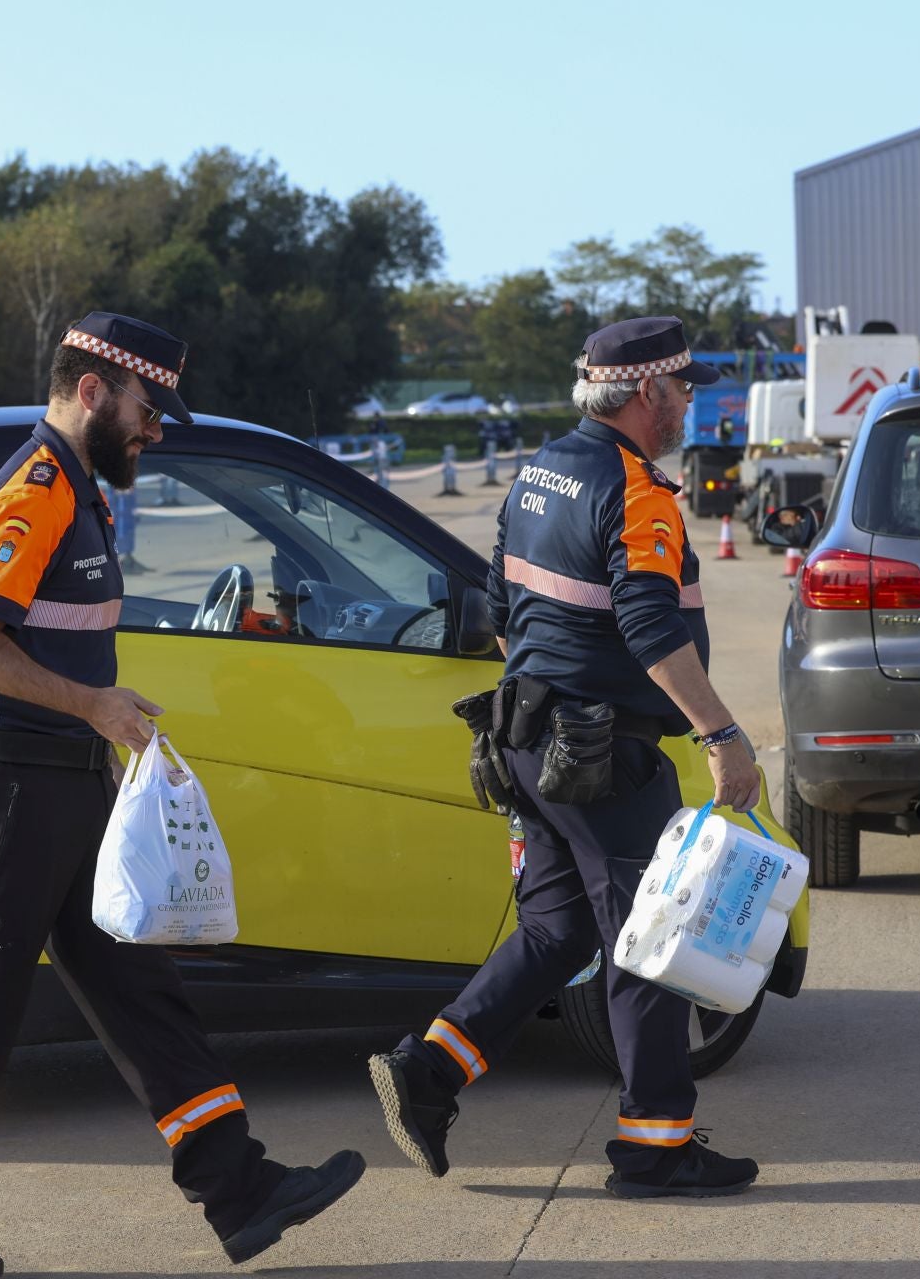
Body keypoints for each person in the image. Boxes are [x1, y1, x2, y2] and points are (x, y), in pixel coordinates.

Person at [0, 312, 363, 1279]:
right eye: (145, 409)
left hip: (61, 781)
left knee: (140, 985)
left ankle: (238, 1187)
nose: (155, 429)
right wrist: (92, 703)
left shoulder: (81, 489)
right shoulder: (38, 489)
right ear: (92, 391)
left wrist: (95, 724)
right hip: (6, 790)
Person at [369, 316, 767, 1199]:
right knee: (651, 940)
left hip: (526, 741)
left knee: (559, 933)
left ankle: (427, 1072)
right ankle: (655, 1147)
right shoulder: (638, 492)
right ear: (645, 394)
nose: (690, 404)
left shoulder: (538, 474)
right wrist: (721, 735)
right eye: (683, 389)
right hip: (601, 758)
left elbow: (499, 600)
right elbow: (651, 625)